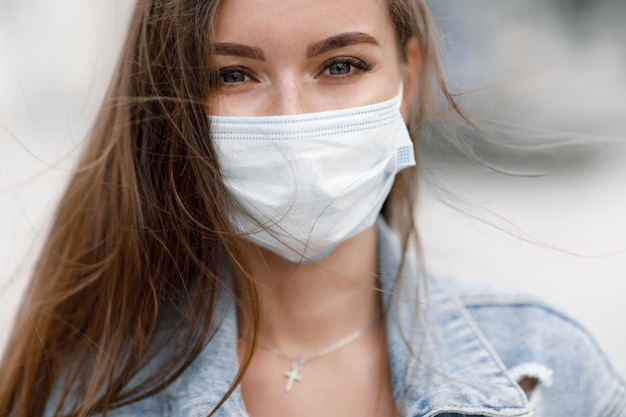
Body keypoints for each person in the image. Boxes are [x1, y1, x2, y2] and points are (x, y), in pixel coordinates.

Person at [0, 0, 624, 416]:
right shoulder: (88, 389)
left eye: (342, 65)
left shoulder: (550, 365)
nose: (293, 120)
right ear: (174, 101)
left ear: (409, 76)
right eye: (234, 76)